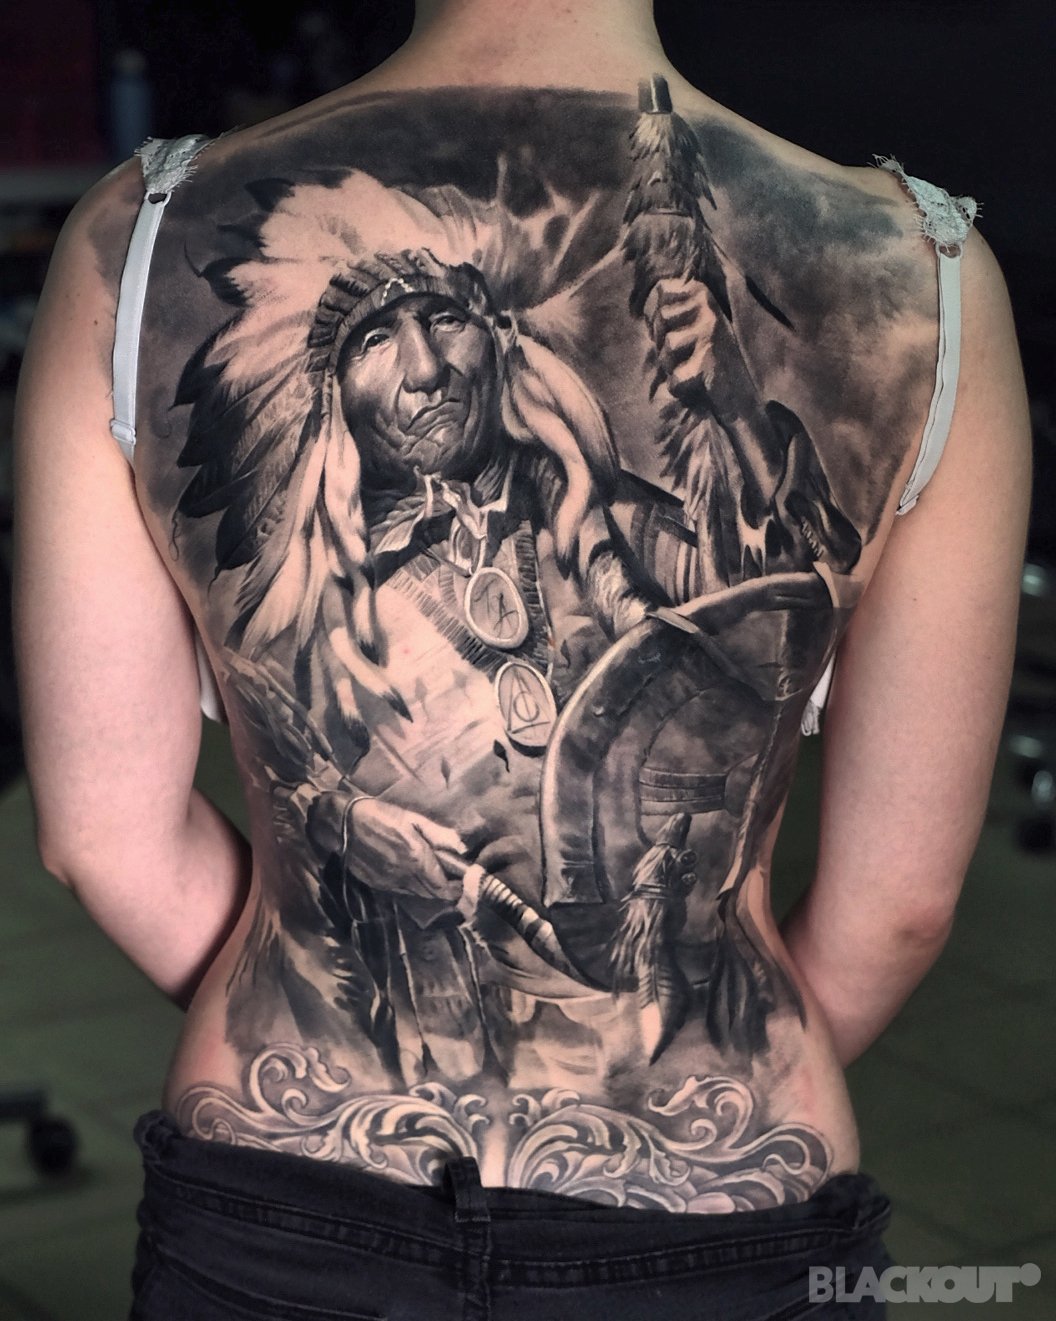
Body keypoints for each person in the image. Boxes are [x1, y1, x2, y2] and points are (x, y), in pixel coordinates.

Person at [12, 0, 1030, 1317]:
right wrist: (661, 1096)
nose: (427, 369)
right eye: (375, 338)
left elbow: (101, 834)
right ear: (323, 387)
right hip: (714, 1195)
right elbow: (902, 904)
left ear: (501, 336)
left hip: (285, 1185)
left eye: (449, 320)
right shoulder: (924, 274)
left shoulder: (134, 242)